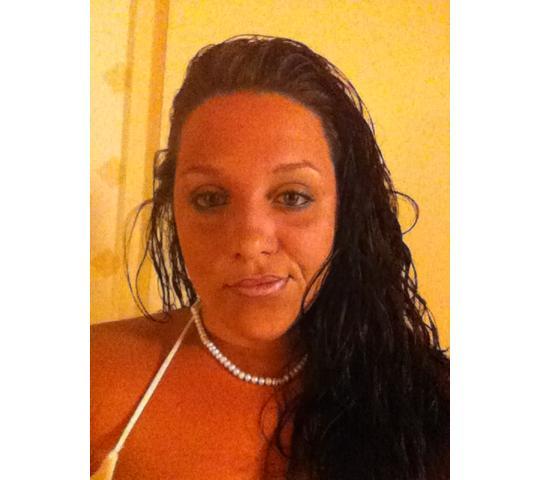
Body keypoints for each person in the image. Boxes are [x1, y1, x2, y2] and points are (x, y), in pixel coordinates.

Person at [91, 35, 449, 480]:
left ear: (345, 210)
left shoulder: (430, 406)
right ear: (173, 208)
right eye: (210, 198)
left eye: (292, 196)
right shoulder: (92, 375)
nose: (250, 241)